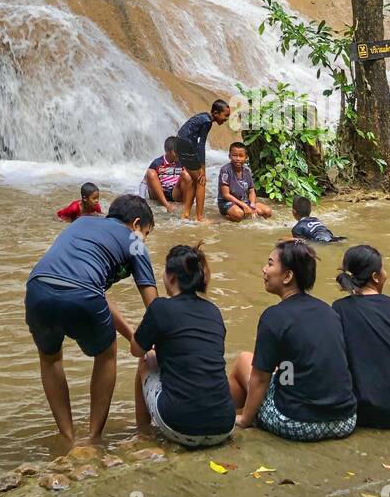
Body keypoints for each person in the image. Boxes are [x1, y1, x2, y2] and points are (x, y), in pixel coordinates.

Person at [25, 194, 157, 441]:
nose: (145, 240)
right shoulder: (134, 241)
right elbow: (156, 309)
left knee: (50, 359)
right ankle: (93, 439)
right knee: (106, 354)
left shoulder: (81, 223)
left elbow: (97, 292)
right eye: (147, 233)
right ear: (137, 224)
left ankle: (69, 439)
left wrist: (132, 336)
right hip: (83, 293)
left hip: (37, 288)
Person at [229, 240, 357, 440]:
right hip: (345, 420)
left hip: (297, 422)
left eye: (270, 264)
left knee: (244, 360)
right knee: (282, 370)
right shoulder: (328, 311)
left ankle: (228, 413)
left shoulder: (273, 317)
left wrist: (245, 420)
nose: (264, 269)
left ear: (288, 276)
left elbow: (260, 377)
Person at [130, 244, 236, 448]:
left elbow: (136, 349)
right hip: (224, 425)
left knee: (146, 358)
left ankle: (142, 432)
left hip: (178, 425)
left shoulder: (160, 307)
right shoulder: (213, 311)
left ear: (171, 277)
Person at [332, 245, 390, 430]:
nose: (385, 273)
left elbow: (337, 364)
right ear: (375, 277)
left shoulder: (339, 308)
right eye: (383, 269)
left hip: (366, 412)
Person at [176, 99, 232, 223]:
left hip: (179, 144)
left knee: (194, 181)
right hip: (186, 146)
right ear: (216, 113)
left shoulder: (203, 116)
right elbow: (201, 145)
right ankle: (199, 218)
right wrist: (203, 169)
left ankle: (185, 214)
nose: (226, 119)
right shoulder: (207, 122)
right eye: (225, 115)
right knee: (201, 181)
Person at [217, 142, 273, 221]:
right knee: (238, 215)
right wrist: (244, 205)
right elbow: (226, 195)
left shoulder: (247, 170)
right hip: (227, 202)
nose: (238, 159)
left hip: (244, 201)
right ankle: (226, 217)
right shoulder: (225, 170)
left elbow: (251, 190)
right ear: (229, 156)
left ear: (246, 157)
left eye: (241, 156)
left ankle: (245, 213)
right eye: (234, 155)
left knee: (267, 211)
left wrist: (252, 205)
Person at [138, 137, 192, 215]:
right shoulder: (157, 163)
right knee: (150, 173)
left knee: (187, 175)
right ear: (168, 152)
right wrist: (141, 200)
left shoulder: (181, 162)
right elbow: (143, 183)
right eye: (176, 152)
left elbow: (191, 181)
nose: (178, 154)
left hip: (175, 192)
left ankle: (185, 205)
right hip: (159, 192)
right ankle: (166, 205)